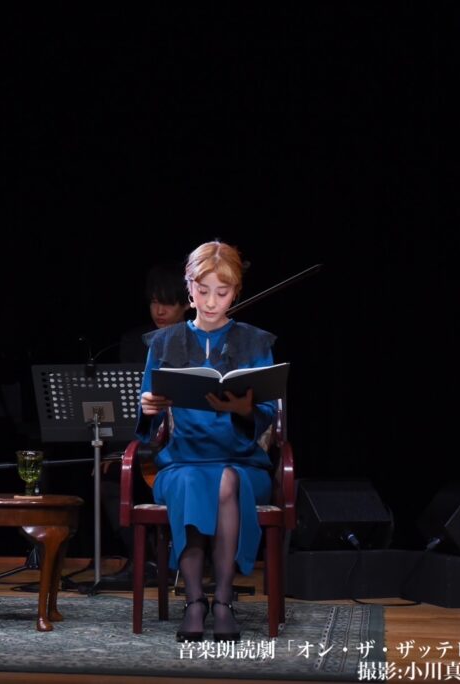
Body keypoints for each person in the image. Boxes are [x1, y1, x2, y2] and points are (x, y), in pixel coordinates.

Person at [137, 240, 277, 643]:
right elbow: (148, 410)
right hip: (182, 461)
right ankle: (195, 600)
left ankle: (224, 600)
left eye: (222, 292)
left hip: (242, 462)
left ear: (236, 293)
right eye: (202, 291)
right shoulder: (164, 342)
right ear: (189, 287)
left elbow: (267, 412)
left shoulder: (255, 342)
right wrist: (148, 405)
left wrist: (245, 409)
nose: (211, 301)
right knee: (190, 482)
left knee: (227, 481)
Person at [100, 262, 191, 586]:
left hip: (183, 436)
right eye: (154, 302)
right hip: (144, 436)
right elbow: (128, 404)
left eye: (167, 303)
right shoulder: (134, 341)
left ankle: (181, 558)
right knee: (109, 473)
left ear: (186, 304)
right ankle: (142, 558)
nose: (159, 311)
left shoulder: (198, 340)